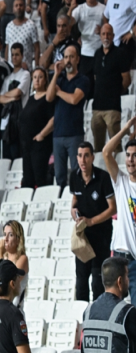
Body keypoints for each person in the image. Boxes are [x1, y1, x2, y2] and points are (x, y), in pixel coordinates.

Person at [70, 142, 116, 302]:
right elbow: (75, 199)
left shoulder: (103, 178)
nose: (83, 160)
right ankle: (81, 319)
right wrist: (74, 213)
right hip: (83, 237)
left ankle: (97, 317)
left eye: (86, 155)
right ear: (76, 157)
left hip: (101, 236)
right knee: (81, 280)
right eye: (80, 155)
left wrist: (91, 221)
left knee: (97, 282)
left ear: (92, 157)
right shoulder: (74, 176)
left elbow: (113, 208)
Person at [47, 45, 89, 188]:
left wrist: (59, 92)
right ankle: (61, 202)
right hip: (58, 134)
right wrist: (56, 75)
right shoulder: (59, 80)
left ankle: (79, 201)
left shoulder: (83, 79)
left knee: (78, 172)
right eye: (65, 57)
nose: (68, 60)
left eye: (71, 57)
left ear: (78, 59)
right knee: (59, 175)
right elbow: (48, 97)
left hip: (74, 134)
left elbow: (74, 99)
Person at [104, 117, 136, 293]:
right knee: (114, 311)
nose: (130, 160)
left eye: (135, 156)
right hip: (119, 257)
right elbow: (106, 152)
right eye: (128, 155)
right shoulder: (121, 181)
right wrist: (125, 129)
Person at [91, 24, 132, 153]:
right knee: (98, 148)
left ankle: (118, 173)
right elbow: (95, 77)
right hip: (97, 107)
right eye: (103, 34)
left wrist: (115, 92)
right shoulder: (97, 54)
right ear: (100, 36)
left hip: (112, 108)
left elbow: (127, 79)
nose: (106, 37)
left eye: (109, 34)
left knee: (115, 147)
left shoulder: (120, 53)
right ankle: (100, 173)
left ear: (113, 36)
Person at [18, 67, 54, 189]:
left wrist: (42, 135)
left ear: (45, 80)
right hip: (27, 146)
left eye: (40, 77)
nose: (37, 80)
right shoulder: (31, 98)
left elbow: (53, 119)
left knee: (40, 177)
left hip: (40, 146)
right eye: (35, 77)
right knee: (27, 179)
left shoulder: (48, 98)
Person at [0, 220, 28, 306]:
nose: (5, 239)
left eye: (10, 235)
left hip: (14, 311)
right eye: (4, 234)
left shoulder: (23, 259)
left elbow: (6, 284)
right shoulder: (3, 261)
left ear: (18, 239)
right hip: (1, 308)